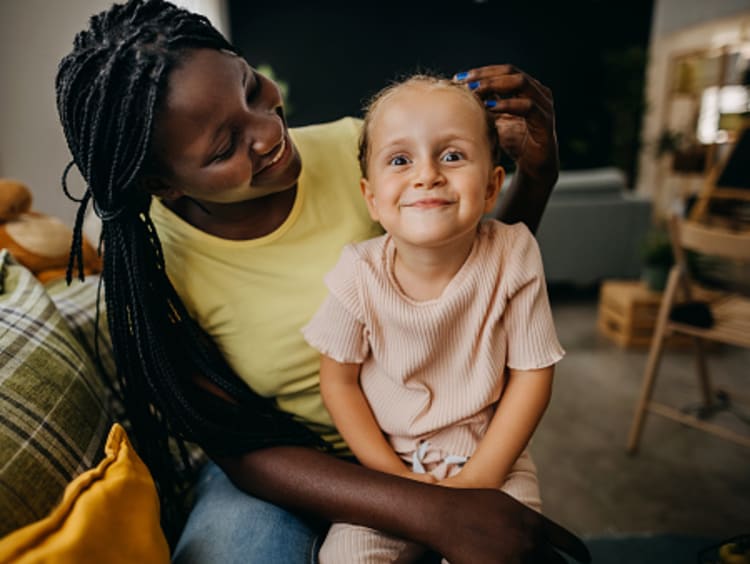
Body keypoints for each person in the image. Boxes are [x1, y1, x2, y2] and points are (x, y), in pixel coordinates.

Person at [55, 1, 589, 562]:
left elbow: (480, 277)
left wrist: (537, 176)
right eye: (224, 148)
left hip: (442, 442)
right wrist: (428, 508)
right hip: (290, 470)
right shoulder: (155, 269)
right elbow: (236, 444)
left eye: (250, 87)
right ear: (165, 184)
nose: (267, 130)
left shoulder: (375, 153)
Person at [302, 75, 564, 564]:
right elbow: (338, 382)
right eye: (401, 160)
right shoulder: (357, 272)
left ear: (490, 187)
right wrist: (393, 480)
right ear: (372, 197)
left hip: (493, 464)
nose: (427, 175)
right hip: (390, 469)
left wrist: (478, 481)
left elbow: (533, 374)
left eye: (452, 156)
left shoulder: (514, 255)